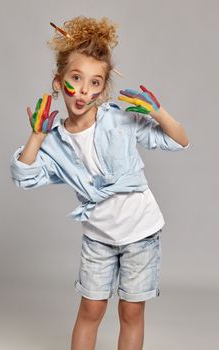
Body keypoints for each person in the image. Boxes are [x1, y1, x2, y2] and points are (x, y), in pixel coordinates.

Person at [10, 16, 190, 350]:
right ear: (58, 80)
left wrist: (159, 112)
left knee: (130, 312)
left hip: (141, 232)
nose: (83, 91)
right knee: (91, 309)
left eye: (95, 83)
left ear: (104, 88)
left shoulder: (120, 120)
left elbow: (180, 140)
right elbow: (23, 176)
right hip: (98, 237)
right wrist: (36, 136)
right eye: (75, 79)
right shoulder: (54, 141)